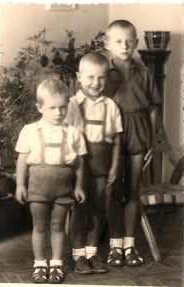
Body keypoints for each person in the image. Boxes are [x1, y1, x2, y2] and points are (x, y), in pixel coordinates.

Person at [15, 79, 87, 284]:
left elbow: (79, 164)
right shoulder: (30, 131)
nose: (58, 113)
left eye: (63, 107)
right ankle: (39, 264)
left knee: (57, 226)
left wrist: (79, 185)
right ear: (39, 108)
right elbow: (22, 160)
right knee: (39, 227)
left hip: (63, 188)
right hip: (37, 188)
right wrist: (20, 185)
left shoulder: (73, 133)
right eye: (52, 108)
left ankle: (56, 264)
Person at [104, 19, 162, 267]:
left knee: (133, 192)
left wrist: (151, 140)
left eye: (129, 41)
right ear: (108, 45)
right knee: (113, 190)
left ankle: (130, 245)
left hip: (138, 132)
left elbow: (151, 111)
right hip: (112, 135)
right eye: (118, 41)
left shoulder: (145, 72)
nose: (124, 45)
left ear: (136, 43)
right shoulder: (104, 74)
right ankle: (114, 245)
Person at [65, 52, 123, 275]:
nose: (95, 83)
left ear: (107, 78)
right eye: (90, 77)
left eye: (101, 77)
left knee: (98, 211)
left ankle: (92, 252)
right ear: (79, 77)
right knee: (79, 210)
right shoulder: (71, 105)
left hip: (102, 167)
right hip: (79, 168)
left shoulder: (111, 106)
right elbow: (66, 139)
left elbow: (117, 141)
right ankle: (78, 254)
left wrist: (115, 167)